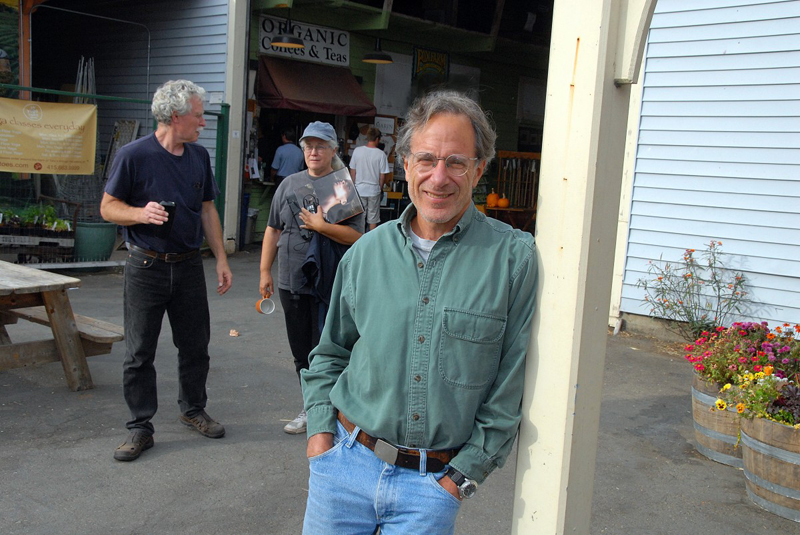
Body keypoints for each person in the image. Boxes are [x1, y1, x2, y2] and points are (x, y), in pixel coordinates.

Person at [300, 90, 538, 534]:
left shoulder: (513, 260)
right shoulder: (365, 253)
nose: (439, 177)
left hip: (431, 491)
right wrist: (320, 439)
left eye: (457, 162)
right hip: (344, 468)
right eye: (426, 159)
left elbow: (510, 388)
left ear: (479, 169)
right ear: (406, 163)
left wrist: (459, 480)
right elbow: (330, 354)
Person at [100, 79, 233, 462]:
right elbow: (109, 207)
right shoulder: (133, 155)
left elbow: (208, 208)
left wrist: (221, 258)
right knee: (139, 351)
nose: (203, 123)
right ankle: (140, 427)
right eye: (197, 116)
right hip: (146, 265)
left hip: (189, 264)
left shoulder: (198, 157)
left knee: (195, 346)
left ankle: (193, 409)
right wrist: (140, 213)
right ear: (175, 117)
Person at [259, 121, 364, 435]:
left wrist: (322, 227)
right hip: (290, 280)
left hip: (327, 281)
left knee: (326, 348)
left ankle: (332, 409)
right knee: (300, 349)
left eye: (320, 146)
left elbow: (357, 236)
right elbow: (273, 229)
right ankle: (312, 405)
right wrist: (265, 270)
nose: (313, 151)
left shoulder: (341, 187)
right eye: (308, 145)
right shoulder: (289, 184)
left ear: (333, 150)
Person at [349, 126, 391, 231]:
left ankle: (358, 240)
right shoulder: (381, 155)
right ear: (377, 139)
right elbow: (382, 176)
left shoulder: (357, 151)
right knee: (373, 218)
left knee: (360, 218)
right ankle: (370, 242)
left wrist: (352, 188)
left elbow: (352, 172)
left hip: (359, 190)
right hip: (373, 191)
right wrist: (380, 188)